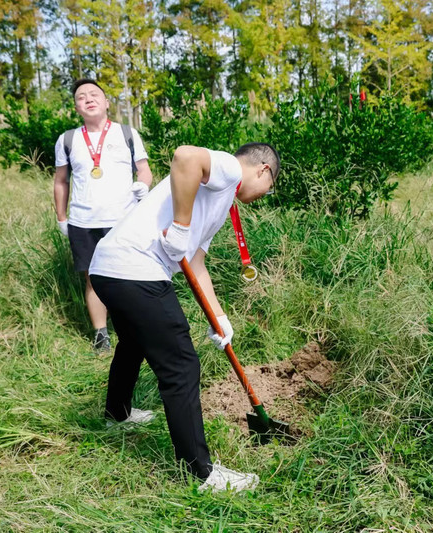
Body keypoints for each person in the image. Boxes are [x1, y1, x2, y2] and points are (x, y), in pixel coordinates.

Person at [88, 142, 279, 492]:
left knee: (133, 342)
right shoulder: (228, 168)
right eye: (269, 187)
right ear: (263, 169)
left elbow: (196, 263)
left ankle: (118, 415)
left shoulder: (220, 201)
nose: (264, 195)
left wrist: (217, 316)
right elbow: (185, 156)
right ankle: (201, 472)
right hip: (135, 269)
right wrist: (179, 225)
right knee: (181, 365)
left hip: (107, 268)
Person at [53, 78, 154, 353]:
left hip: (123, 220)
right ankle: (101, 335)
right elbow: (61, 181)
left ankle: (134, 328)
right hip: (83, 222)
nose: (88, 98)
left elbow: (144, 169)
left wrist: (143, 185)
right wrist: (62, 218)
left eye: (94, 94)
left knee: (129, 276)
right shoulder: (68, 139)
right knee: (93, 279)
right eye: (81, 96)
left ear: (107, 102)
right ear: (76, 107)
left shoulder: (126, 134)